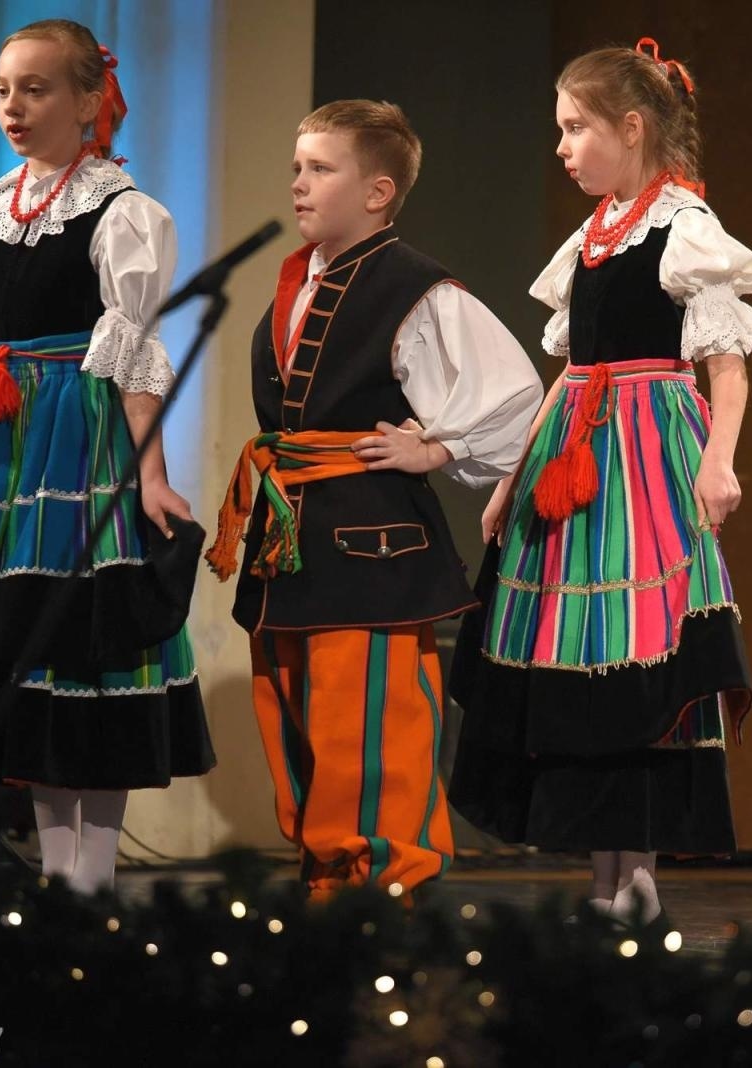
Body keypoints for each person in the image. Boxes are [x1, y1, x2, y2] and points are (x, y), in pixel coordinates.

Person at [0, 18, 214, 894]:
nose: (14, 107)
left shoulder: (125, 212)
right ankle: (59, 879)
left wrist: (150, 474)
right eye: (4, 90)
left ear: (89, 100)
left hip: (75, 443)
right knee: (19, 665)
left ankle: (91, 879)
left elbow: (131, 356)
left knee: (80, 651)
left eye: (37, 88)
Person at [448, 37, 752, 925]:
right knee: (581, 647)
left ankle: (642, 872)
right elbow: (569, 368)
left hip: (645, 454)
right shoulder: (590, 238)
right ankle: (603, 873)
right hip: (577, 452)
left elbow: (728, 362)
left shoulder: (684, 229)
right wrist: (515, 479)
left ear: (631, 129)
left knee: (644, 643)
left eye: (575, 127)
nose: (561, 146)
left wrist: (719, 458)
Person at [204, 99, 541, 903]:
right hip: (292, 535)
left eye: (321, 169)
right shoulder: (303, 277)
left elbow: (516, 397)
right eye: (297, 167)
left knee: (370, 725)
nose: (299, 184)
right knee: (296, 717)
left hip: (371, 541)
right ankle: (328, 880)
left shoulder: (415, 287)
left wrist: (437, 445)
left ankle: (384, 889)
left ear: (379, 192)